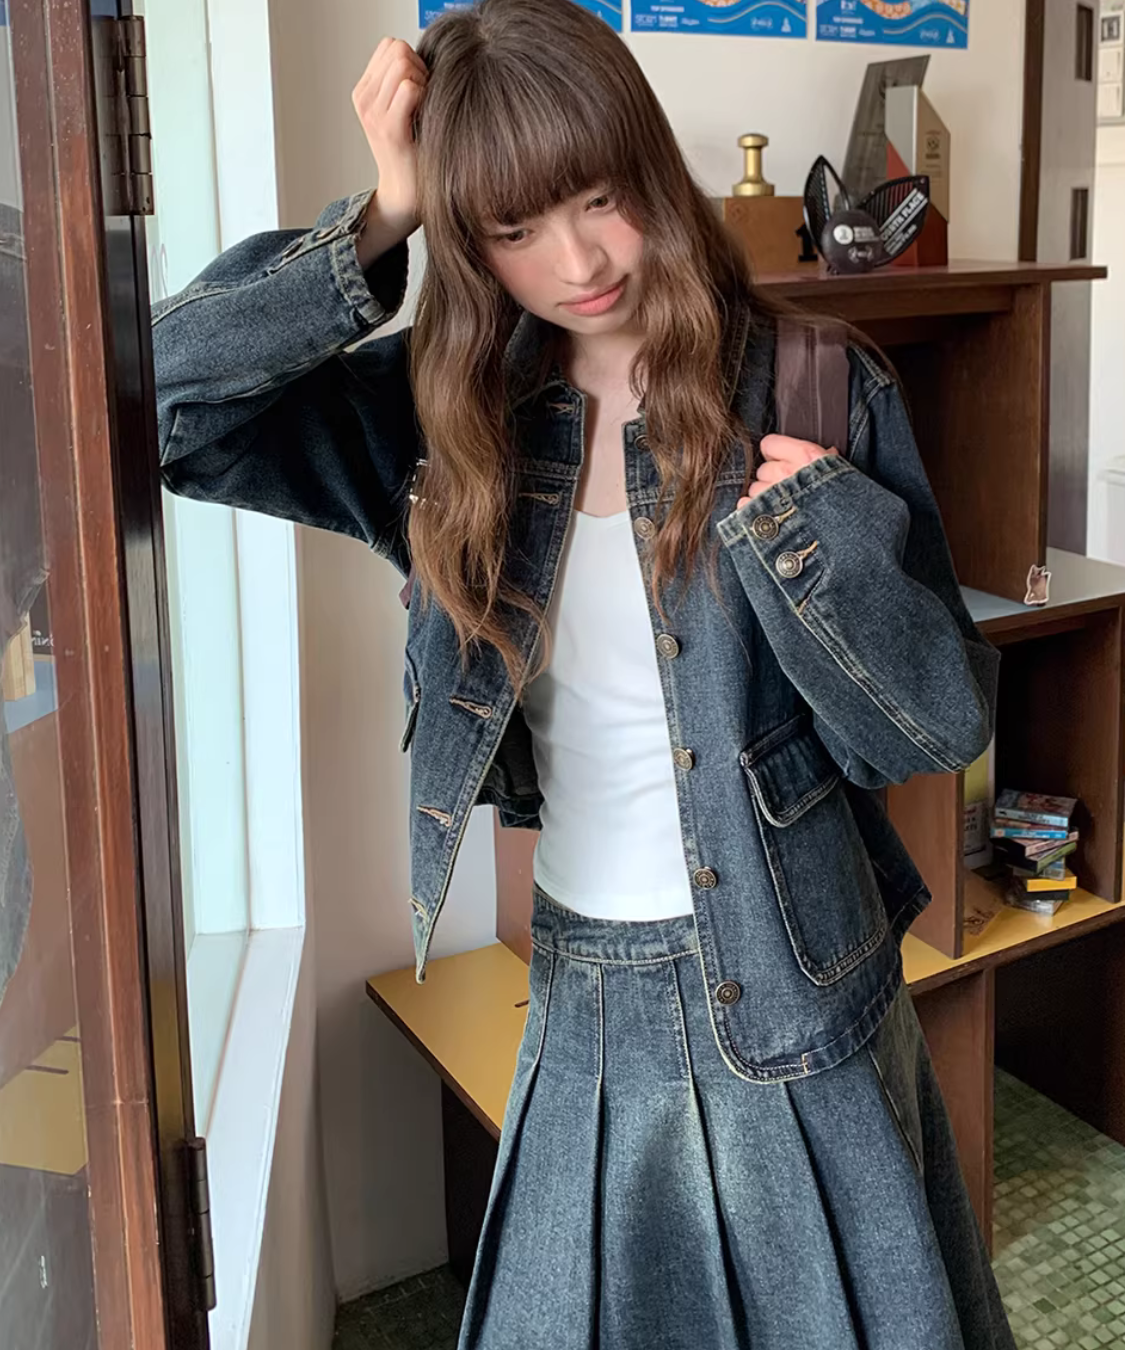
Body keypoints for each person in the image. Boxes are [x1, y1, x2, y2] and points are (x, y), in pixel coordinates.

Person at [151, 0, 1015, 1345]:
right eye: (513, 226)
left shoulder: (811, 384)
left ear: (649, 166)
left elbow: (936, 728)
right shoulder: (450, 422)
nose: (579, 259)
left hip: (799, 985)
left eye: (602, 197)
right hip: (583, 997)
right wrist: (381, 215)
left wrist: (824, 547)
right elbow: (161, 404)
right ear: (466, 233)